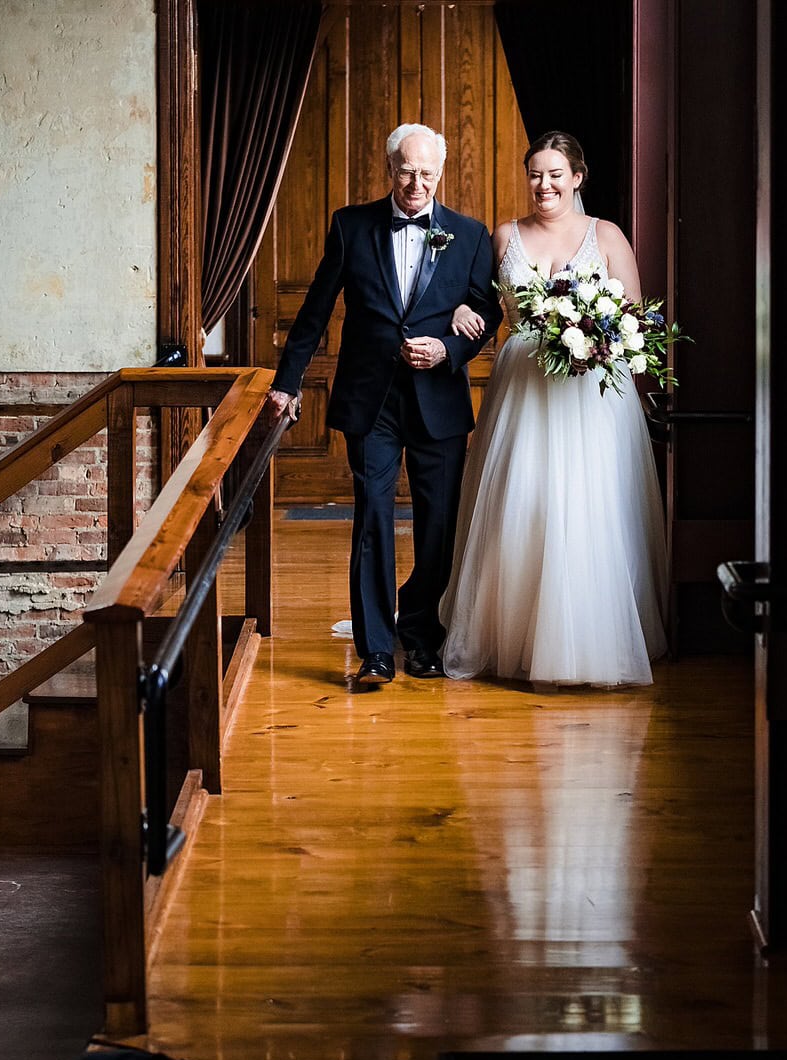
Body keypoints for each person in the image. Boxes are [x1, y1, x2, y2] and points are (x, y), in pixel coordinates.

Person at [266, 123, 501, 687]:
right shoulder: (351, 226)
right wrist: (287, 382)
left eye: (427, 173)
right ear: (388, 168)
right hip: (369, 399)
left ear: (439, 173)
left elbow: (487, 313)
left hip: (438, 399)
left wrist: (449, 345)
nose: (416, 183)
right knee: (371, 517)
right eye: (406, 170)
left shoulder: (469, 235)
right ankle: (374, 650)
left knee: (437, 525)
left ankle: (420, 637)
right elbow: (316, 312)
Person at [438, 131, 668, 687]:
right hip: (524, 391)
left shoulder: (606, 235)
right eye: (536, 175)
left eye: (555, 175)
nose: (544, 185)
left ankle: (595, 642)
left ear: (577, 178)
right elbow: (481, 306)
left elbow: (635, 318)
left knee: (593, 509)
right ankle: (515, 636)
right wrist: (456, 318)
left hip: (592, 396)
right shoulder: (504, 237)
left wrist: (602, 342)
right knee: (526, 504)